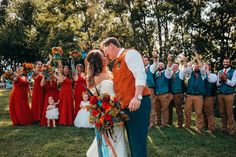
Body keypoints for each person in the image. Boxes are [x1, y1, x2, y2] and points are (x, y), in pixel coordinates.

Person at [103, 37, 151, 157]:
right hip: (126, 107)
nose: (106, 54)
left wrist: (137, 97)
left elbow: (140, 74)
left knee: (138, 143)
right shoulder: (115, 63)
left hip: (137, 104)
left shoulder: (130, 54)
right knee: (133, 142)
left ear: (112, 46)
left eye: (105, 50)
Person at [86, 50, 127, 157]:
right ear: (100, 61)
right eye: (103, 56)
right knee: (109, 139)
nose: (106, 57)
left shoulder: (109, 73)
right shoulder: (96, 77)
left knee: (118, 137)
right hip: (106, 114)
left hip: (116, 110)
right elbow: (95, 96)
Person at [185, 53, 205, 132]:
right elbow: (188, 66)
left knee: (199, 112)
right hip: (189, 95)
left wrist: (198, 59)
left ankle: (199, 127)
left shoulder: (203, 74)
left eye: (197, 66)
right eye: (195, 66)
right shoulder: (190, 74)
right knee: (187, 111)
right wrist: (194, 59)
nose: (196, 67)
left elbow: (202, 67)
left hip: (199, 96)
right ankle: (187, 125)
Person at [153, 55, 173, 127]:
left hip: (164, 94)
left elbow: (168, 69)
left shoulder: (166, 72)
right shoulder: (156, 73)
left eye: (162, 65)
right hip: (156, 94)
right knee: (157, 109)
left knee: (164, 109)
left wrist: (169, 61)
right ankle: (158, 122)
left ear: (164, 66)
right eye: (159, 65)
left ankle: (164, 123)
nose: (160, 66)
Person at [217, 57, 236, 135]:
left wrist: (225, 79)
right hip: (220, 94)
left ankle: (231, 129)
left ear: (230, 63)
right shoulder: (220, 72)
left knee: (229, 112)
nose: (225, 63)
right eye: (224, 62)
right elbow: (217, 84)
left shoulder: (234, 71)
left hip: (229, 94)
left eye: (227, 62)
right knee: (222, 112)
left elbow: (233, 84)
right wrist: (221, 80)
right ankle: (224, 127)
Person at [168, 56, 188, 128]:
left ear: (178, 67)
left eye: (176, 66)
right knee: (169, 108)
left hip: (178, 93)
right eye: (174, 66)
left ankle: (180, 124)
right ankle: (169, 122)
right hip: (171, 93)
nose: (174, 67)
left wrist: (185, 61)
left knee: (178, 109)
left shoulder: (180, 73)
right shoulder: (170, 73)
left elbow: (185, 68)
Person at [143, 51, 158, 128]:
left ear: (148, 61)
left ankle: (152, 122)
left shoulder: (151, 68)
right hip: (141, 89)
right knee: (143, 106)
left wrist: (155, 58)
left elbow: (155, 64)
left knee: (151, 105)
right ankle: (145, 121)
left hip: (149, 88)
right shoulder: (140, 69)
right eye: (143, 60)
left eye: (146, 60)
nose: (144, 62)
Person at [203, 63, 217, 133]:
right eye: (204, 67)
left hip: (210, 96)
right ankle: (205, 126)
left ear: (209, 68)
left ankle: (211, 128)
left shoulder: (213, 75)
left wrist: (207, 72)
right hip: (202, 96)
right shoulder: (202, 75)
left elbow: (212, 80)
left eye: (206, 67)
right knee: (203, 112)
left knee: (209, 112)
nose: (205, 68)